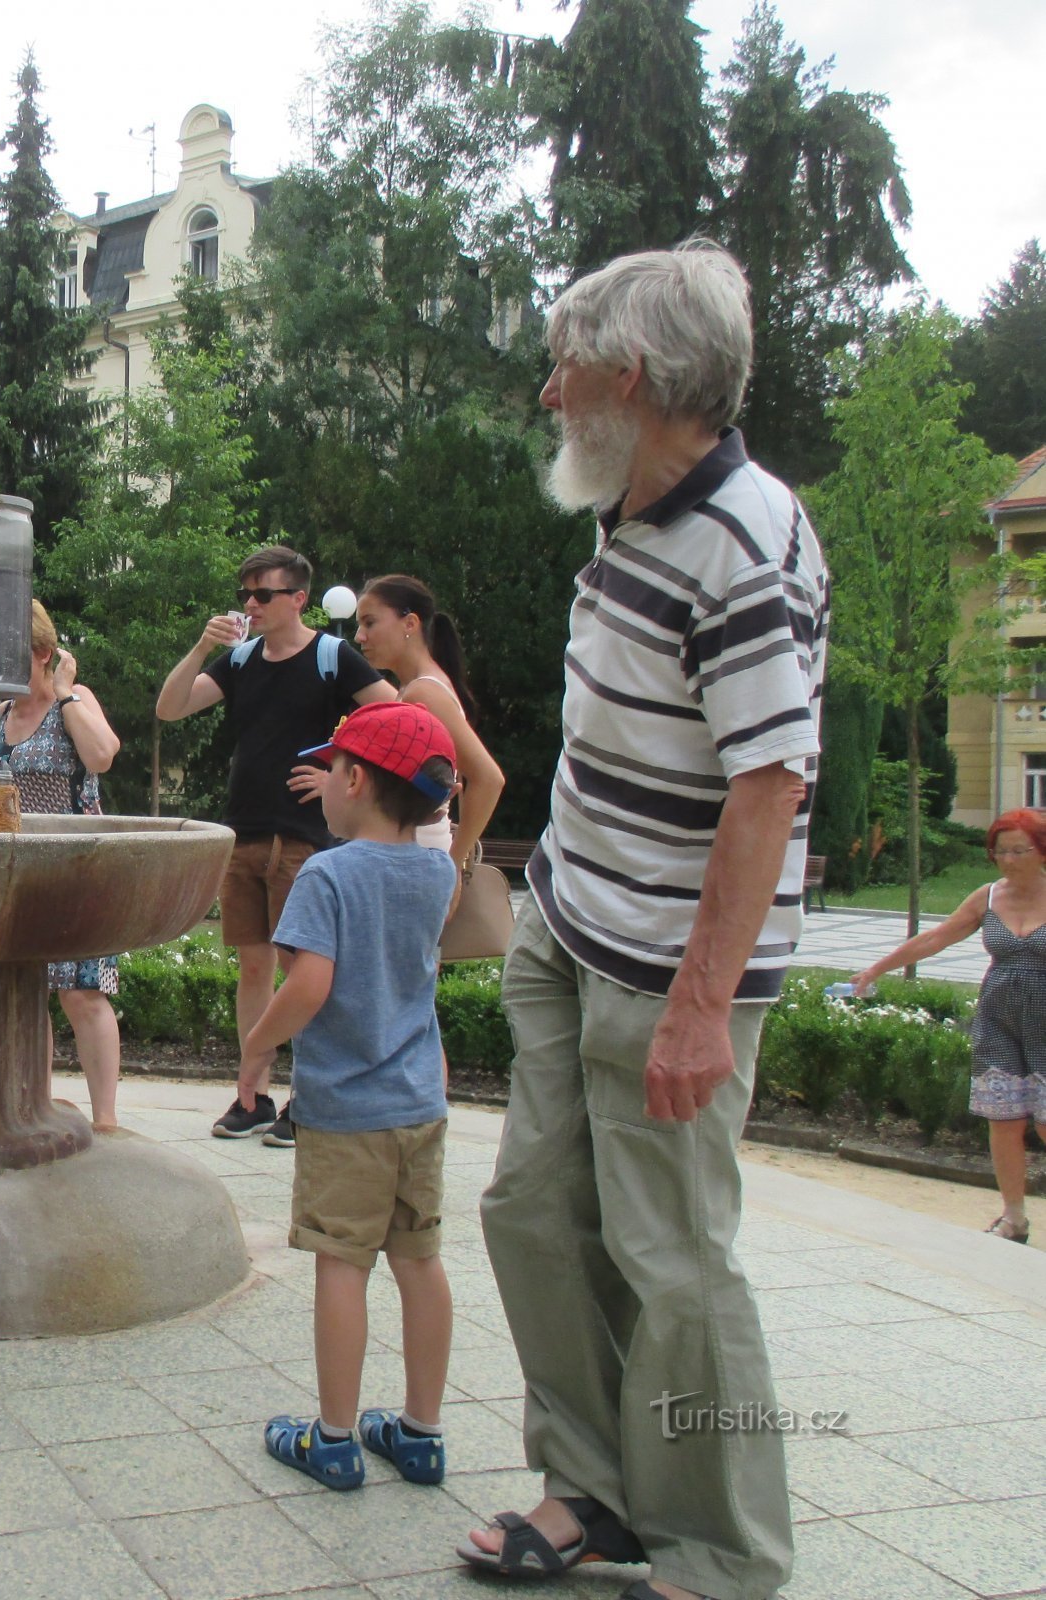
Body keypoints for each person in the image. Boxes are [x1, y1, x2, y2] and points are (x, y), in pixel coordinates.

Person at [464, 243, 826, 1600]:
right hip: (571, 921)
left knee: (675, 1264)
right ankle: (594, 1493)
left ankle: (721, 1547)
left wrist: (695, 1008)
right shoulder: (632, 502)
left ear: (631, 378)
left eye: (566, 368)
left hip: (674, 963)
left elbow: (770, 782)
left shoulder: (745, 542)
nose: (549, 392)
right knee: (532, 1213)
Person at [251, 702, 460, 1494]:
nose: (323, 783)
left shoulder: (328, 872)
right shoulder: (435, 871)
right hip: (419, 1104)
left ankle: (332, 1441)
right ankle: (420, 1433)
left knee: (341, 1265)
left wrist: (258, 1043)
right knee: (419, 1261)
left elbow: (309, 983)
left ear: (355, 779)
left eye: (331, 768)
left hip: (345, 1109)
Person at [155, 545, 396, 1146]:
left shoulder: (331, 655)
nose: (251, 604)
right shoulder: (238, 661)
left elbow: (395, 721)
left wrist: (338, 773)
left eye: (263, 594)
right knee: (254, 966)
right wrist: (203, 646)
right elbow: (170, 708)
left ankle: (308, 1096)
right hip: (245, 831)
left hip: (304, 839)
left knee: (301, 968)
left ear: (298, 598)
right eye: (245, 594)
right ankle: (253, 1096)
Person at [847, 808, 1046, 1244]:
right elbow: (936, 937)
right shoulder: (988, 897)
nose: (1008, 859)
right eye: (1000, 850)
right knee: (1004, 1119)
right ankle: (1013, 1219)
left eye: (1019, 850)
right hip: (1000, 1023)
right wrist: (876, 970)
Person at [0, 600, 126, 1130]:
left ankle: (106, 1120)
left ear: (43, 653)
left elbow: (102, 756)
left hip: (80, 869)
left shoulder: (73, 701)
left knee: (83, 993)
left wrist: (68, 692)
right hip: (19, 873)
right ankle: (38, 1110)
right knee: (30, 995)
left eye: (12, 655)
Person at [350, 575, 505, 879]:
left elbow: (488, 778)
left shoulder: (424, 692)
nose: (359, 636)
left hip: (416, 860)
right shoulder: (413, 688)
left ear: (410, 623)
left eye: (370, 623)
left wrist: (455, 864)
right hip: (410, 857)